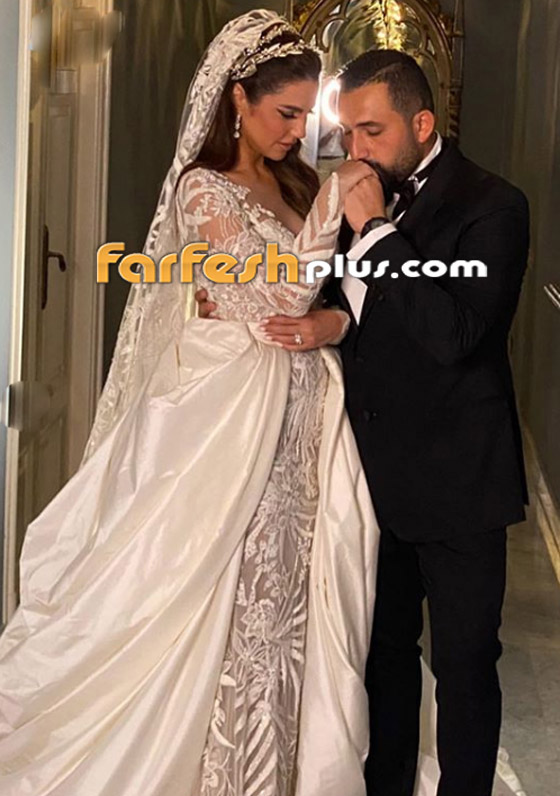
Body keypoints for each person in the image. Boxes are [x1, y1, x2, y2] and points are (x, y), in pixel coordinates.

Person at [0, 10, 382, 796]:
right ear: (238, 98)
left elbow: (333, 296)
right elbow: (271, 295)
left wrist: (336, 321)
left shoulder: (294, 182)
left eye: (305, 116)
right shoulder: (202, 189)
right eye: (285, 113)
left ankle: (278, 770)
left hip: (303, 422)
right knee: (223, 589)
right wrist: (333, 204)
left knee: (286, 602)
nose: (298, 132)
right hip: (227, 421)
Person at [240, 49, 529, 796]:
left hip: (461, 480)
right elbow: (362, 309)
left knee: (466, 663)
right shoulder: (346, 195)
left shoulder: (494, 206)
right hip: (370, 473)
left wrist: (373, 229)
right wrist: (331, 322)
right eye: (347, 133)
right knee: (383, 657)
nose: (354, 150)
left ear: (422, 123)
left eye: (372, 132)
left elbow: (454, 335)